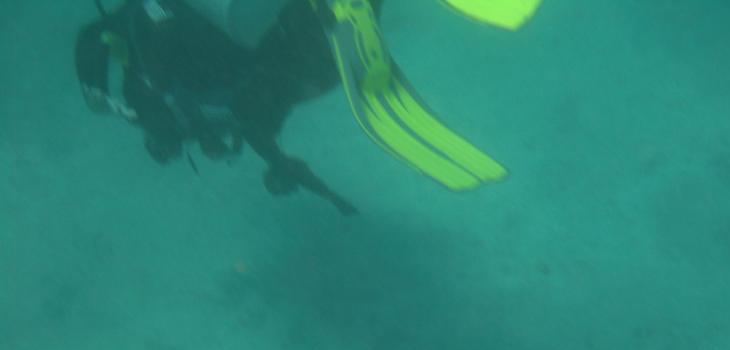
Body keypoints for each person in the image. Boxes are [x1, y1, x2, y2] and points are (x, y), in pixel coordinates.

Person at [75, 0, 542, 214]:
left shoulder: (153, 101)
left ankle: (330, 12)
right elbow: (258, 126)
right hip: (260, 41)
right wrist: (293, 173)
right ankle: (334, 9)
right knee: (287, 68)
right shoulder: (186, 110)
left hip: (249, 44)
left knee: (291, 70)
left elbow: (93, 37)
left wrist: (95, 92)